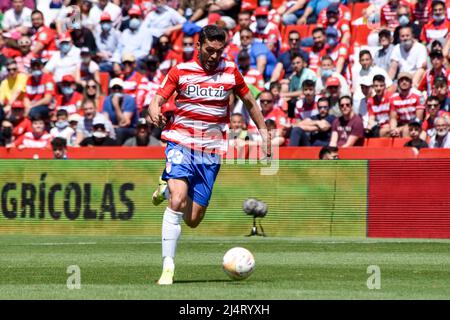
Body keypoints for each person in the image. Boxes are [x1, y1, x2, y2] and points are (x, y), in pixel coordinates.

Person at [146, 25, 270, 285]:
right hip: (180, 142)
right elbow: (156, 99)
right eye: (209, 50)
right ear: (198, 45)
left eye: (219, 50)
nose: (214, 55)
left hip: (210, 151)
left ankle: (165, 187)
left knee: (192, 219)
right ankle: (167, 267)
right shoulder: (180, 71)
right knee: (179, 200)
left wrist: (264, 131)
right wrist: (155, 110)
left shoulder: (230, 71)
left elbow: (249, 102)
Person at [102, 77, 138, 145]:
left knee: (119, 131)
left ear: (122, 89)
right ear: (111, 90)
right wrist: (113, 127)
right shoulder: (107, 100)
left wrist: (116, 105)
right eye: (114, 88)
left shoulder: (130, 100)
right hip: (113, 128)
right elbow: (105, 121)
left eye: (119, 88)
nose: (117, 90)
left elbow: (124, 122)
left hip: (131, 129)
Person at [389, 72, 425, 137]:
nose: (404, 82)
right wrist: (393, 129)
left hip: (416, 125)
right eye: (401, 80)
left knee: (406, 130)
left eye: (406, 80)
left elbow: (418, 119)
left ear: (411, 83)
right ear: (398, 83)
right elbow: (393, 118)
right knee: (386, 132)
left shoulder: (418, 95)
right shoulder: (393, 98)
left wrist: (400, 129)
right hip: (401, 124)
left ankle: (408, 147)